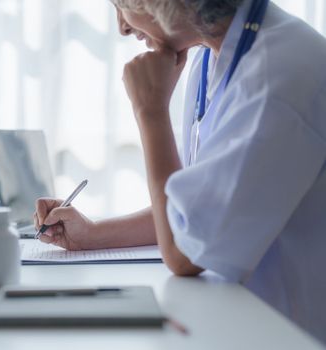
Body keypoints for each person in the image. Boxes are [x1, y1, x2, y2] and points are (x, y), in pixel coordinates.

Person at [33, 0, 326, 344]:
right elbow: (196, 215)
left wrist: (150, 111)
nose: (123, 27)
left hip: (282, 333)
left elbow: (185, 256)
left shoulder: (277, 74)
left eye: (122, 6)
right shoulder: (209, 58)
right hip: (233, 319)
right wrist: (93, 234)